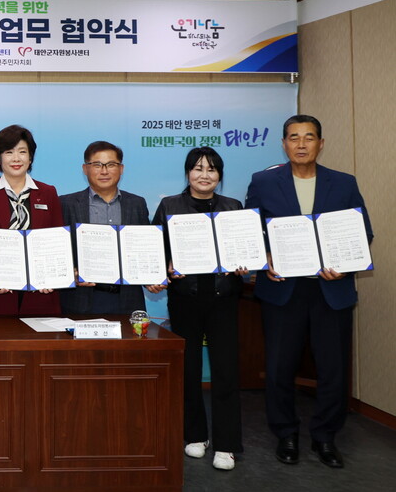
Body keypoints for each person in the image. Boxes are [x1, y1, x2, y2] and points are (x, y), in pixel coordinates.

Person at [245, 115, 372, 469]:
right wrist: (264, 257)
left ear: (321, 143)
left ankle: (325, 436)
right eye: (293, 137)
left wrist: (345, 264)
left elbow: (363, 231)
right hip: (283, 289)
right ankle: (286, 433)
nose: (301, 144)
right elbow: (249, 231)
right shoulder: (263, 182)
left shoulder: (344, 183)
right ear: (283, 144)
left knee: (333, 369)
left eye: (309, 137)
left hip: (331, 289)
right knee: (279, 367)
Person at [149, 147, 245, 471]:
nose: (205, 175)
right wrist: (165, 267)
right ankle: (195, 435)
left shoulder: (233, 207)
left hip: (223, 299)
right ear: (188, 172)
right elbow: (155, 251)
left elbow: (244, 250)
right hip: (185, 300)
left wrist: (245, 264)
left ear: (220, 175)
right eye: (198, 168)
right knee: (188, 369)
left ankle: (227, 444)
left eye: (212, 169)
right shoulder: (169, 206)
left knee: (226, 371)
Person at [0, 125, 64, 315]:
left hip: (41, 294)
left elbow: (57, 240)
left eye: (22, 152)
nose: (16, 158)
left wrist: (52, 276)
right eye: (9, 152)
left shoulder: (48, 192)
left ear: (30, 157)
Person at [59, 141, 150, 315]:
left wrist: (152, 277)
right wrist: (69, 273)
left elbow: (145, 248)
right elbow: (57, 250)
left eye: (111, 165)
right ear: (85, 169)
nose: (104, 171)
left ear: (121, 169)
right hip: (80, 299)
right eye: (97, 165)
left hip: (127, 299)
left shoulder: (137, 203)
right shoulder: (66, 203)